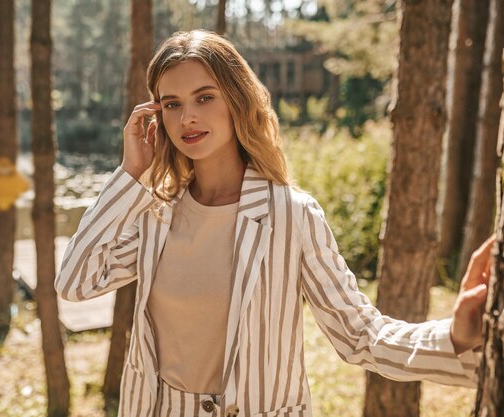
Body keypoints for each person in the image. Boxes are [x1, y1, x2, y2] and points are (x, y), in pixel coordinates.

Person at [55, 30, 492, 417]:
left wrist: (452, 337)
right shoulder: (156, 215)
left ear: (236, 101)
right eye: (172, 104)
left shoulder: (292, 214)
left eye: (204, 97)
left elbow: (360, 334)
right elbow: (75, 282)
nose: (187, 117)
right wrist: (131, 174)